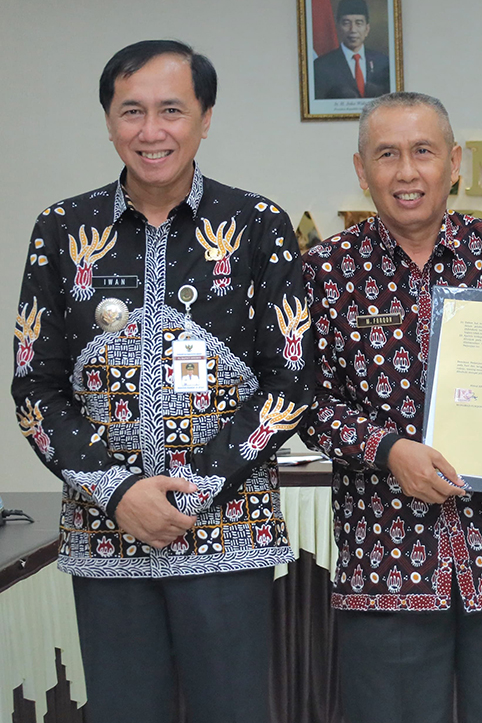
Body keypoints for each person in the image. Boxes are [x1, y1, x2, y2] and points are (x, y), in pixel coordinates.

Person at [11, 40, 313, 723]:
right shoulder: (62, 230)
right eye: (132, 111)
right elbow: (36, 386)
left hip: (225, 532)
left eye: (172, 110)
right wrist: (117, 491)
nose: (152, 131)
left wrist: (194, 488)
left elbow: (290, 380)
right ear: (109, 121)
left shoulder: (258, 224)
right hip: (103, 530)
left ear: (205, 118)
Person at [300, 91, 482, 723]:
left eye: (423, 152)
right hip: (386, 570)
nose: (407, 172)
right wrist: (387, 449)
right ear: (361, 170)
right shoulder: (325, 270)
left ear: (454, 162)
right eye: (387, 155)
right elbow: (305, 402)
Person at [312, 0, 391, 100]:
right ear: (338, 28)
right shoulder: (321, 66)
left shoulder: (383, 62)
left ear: (367, 29)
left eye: (359, 23)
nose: (353, 29)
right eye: (346, 23)